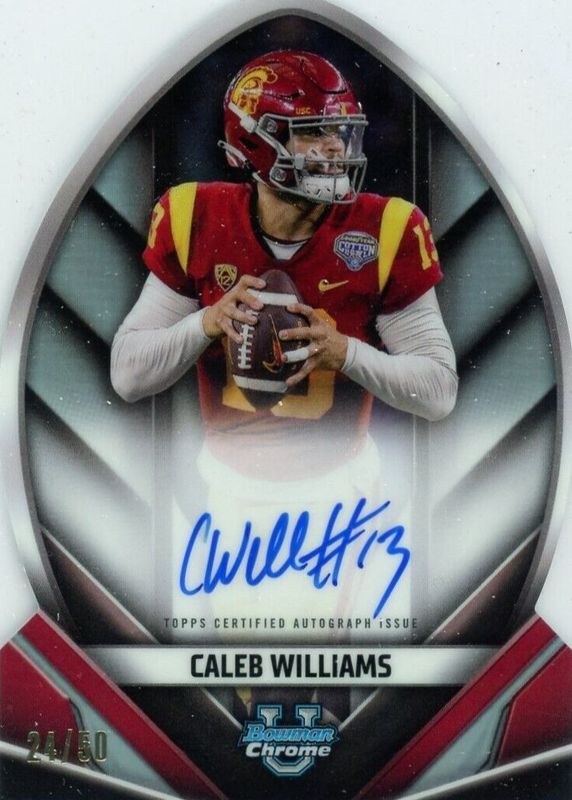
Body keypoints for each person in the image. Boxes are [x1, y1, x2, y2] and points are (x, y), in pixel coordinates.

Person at [110, 51, 458, 656]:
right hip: (226, 495)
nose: (335, 148)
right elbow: (128, 374)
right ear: (256, 142)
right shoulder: (195, 216)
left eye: (340, 130)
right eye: (313, 132)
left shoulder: (386, 228)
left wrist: (346, 353)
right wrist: (206, 323)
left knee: (319, 670)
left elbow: (439, 390)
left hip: (339, 497)